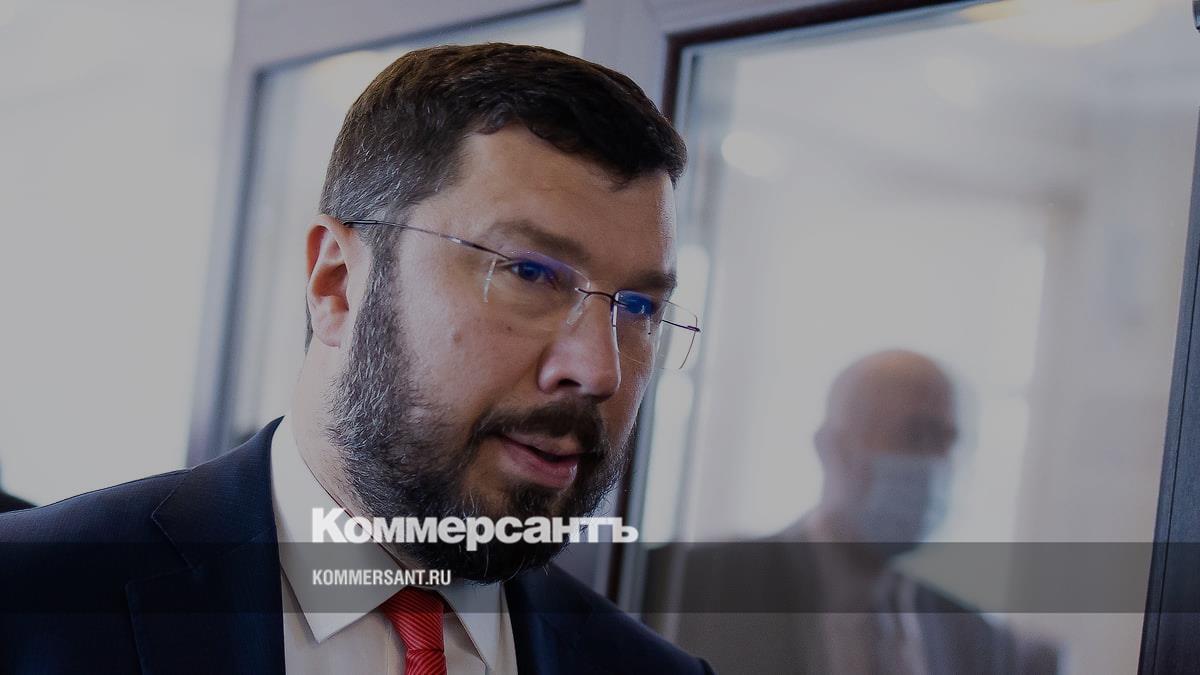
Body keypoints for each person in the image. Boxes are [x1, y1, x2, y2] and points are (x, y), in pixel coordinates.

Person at [0, 44, 712, 674]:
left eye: (639, 308)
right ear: (337, 282)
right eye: (529, 273)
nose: (599, 370)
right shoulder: (29, 600)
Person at [653, 350, 1058, 674]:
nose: (935, 463)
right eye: (914, 434)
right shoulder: (697, 585)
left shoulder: (976, 638)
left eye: (946, 441)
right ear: (832, 448)